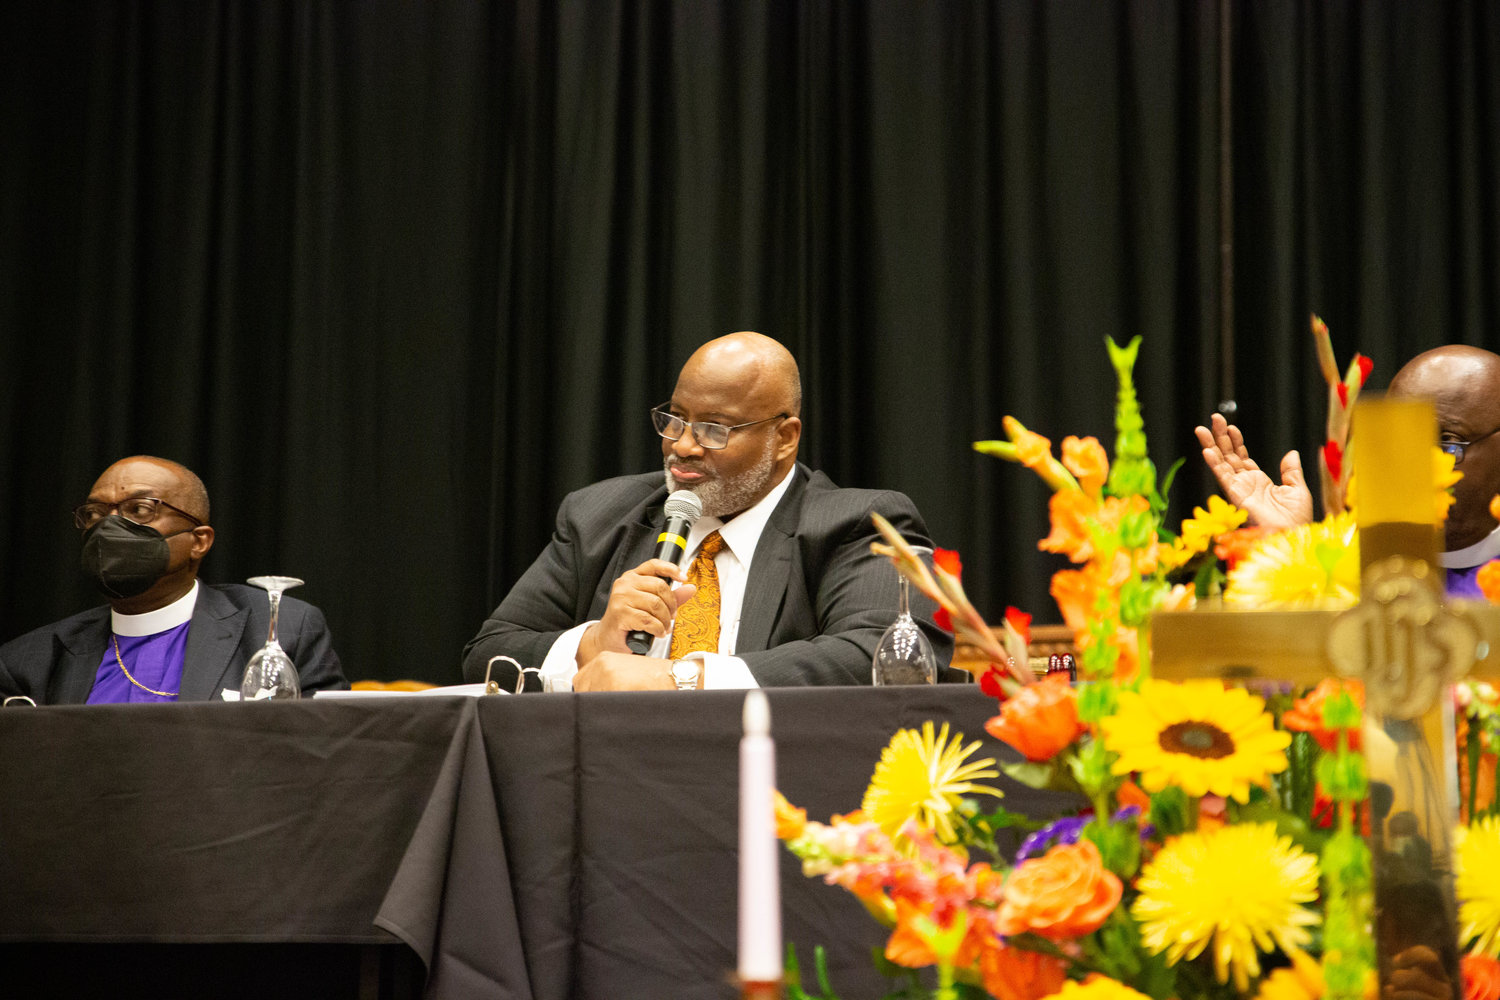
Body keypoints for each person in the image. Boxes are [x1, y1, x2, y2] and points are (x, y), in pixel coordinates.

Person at [462, 331, 952, 691]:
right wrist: (591, 643)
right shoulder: (597, 515)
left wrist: (680, 678)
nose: (682, 446)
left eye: (714, 429)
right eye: (675, 419)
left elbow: (882, 654)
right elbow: (489, 653)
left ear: (784, 438)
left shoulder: (857, 524)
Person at [0, 456, 347, 704]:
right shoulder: (27, 660)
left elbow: (330, 751)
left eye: (139, 510)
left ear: (199, 541)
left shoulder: (282, 629)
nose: (108, 527)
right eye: (94, 514)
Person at [1196, 345, 1500, 596]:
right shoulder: (1350, 571)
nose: (1414, 464)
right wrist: (1290, 544)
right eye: (1399, 440)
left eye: (1447, 442)